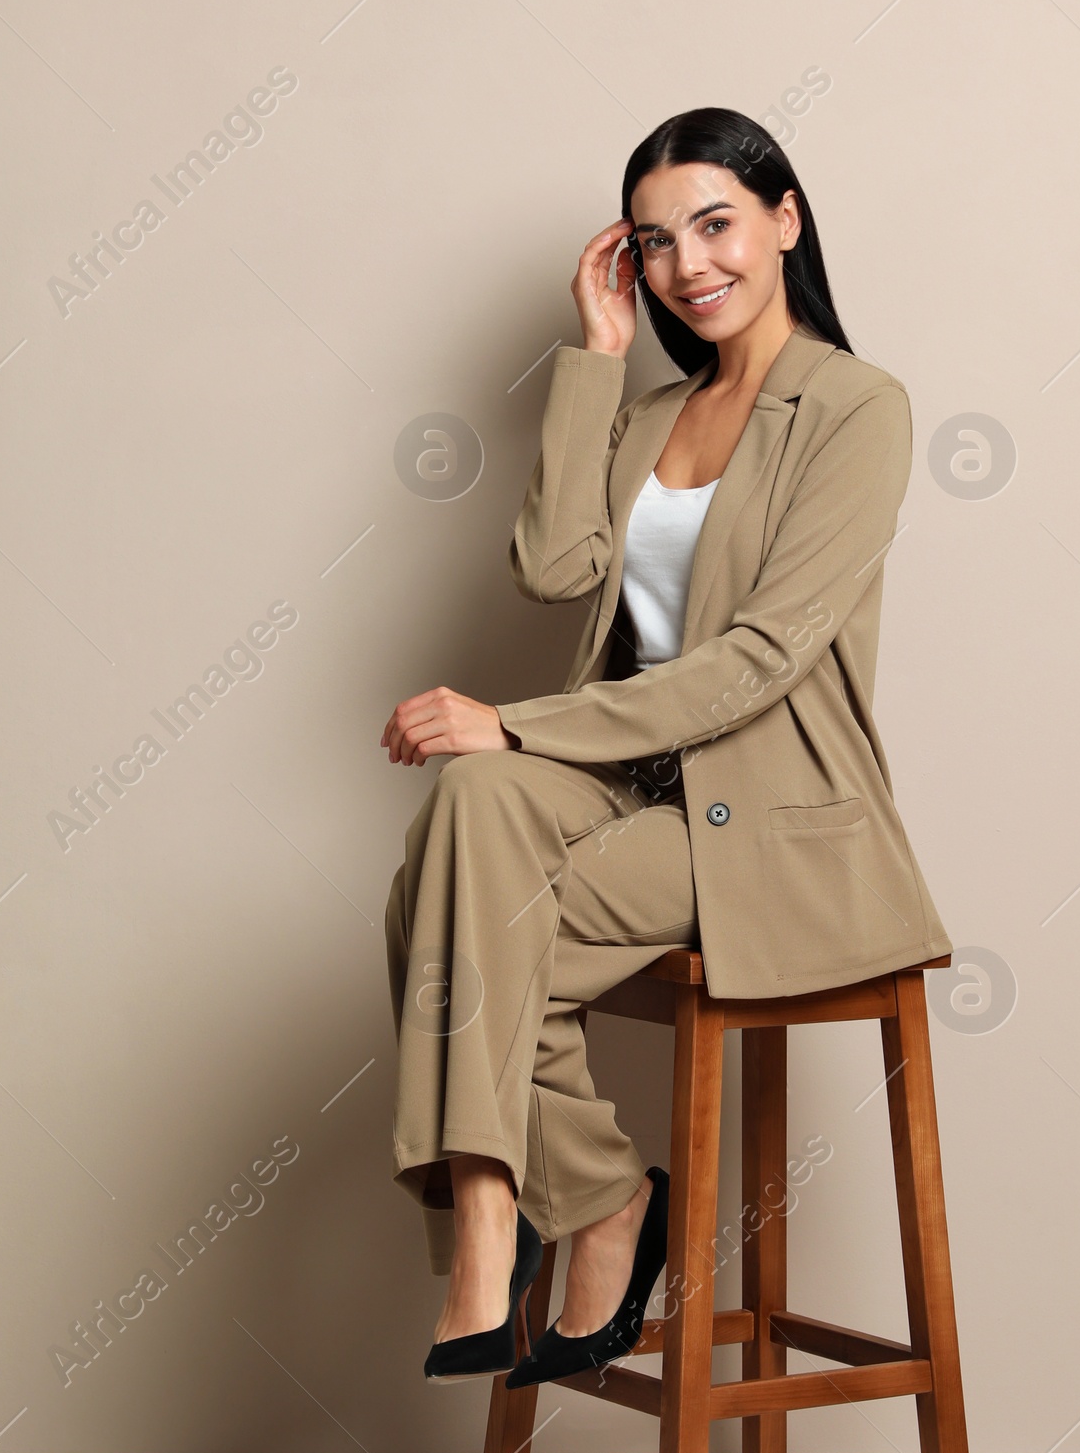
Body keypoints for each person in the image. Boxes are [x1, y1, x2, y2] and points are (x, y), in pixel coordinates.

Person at [382, 107, 951, 1387]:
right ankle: (539, 1203)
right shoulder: (648, 411)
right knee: (471, 819)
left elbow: (758, 661)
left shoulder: (856, 408)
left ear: (784, 221)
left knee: (443, 918)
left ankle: (547, 1212)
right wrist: (594, 358)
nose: (688, 265)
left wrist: (512, 720)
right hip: (626, 793)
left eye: (714, 224)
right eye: (653, 242)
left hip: (770, 824)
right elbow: (553, 569)